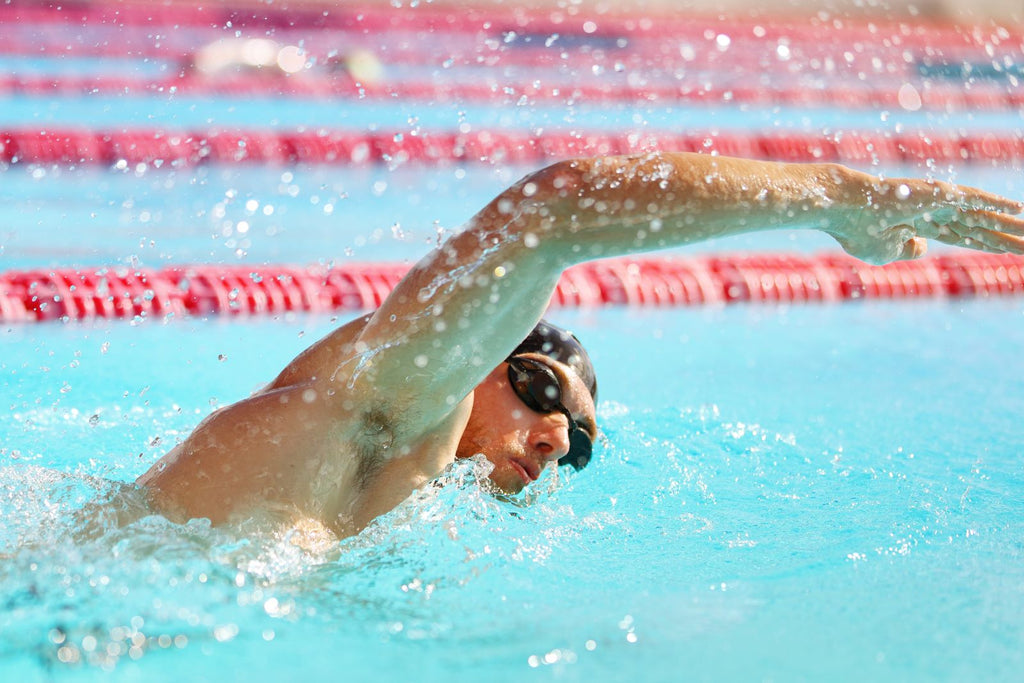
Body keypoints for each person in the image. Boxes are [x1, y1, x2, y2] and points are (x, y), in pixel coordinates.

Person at [136, 152, 1024, 538]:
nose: (561, 437)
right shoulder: (396, 397)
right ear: (482, 356)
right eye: (543, 389)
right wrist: (836, 198)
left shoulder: (388, 483)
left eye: (582, 442)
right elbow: (551, 210)